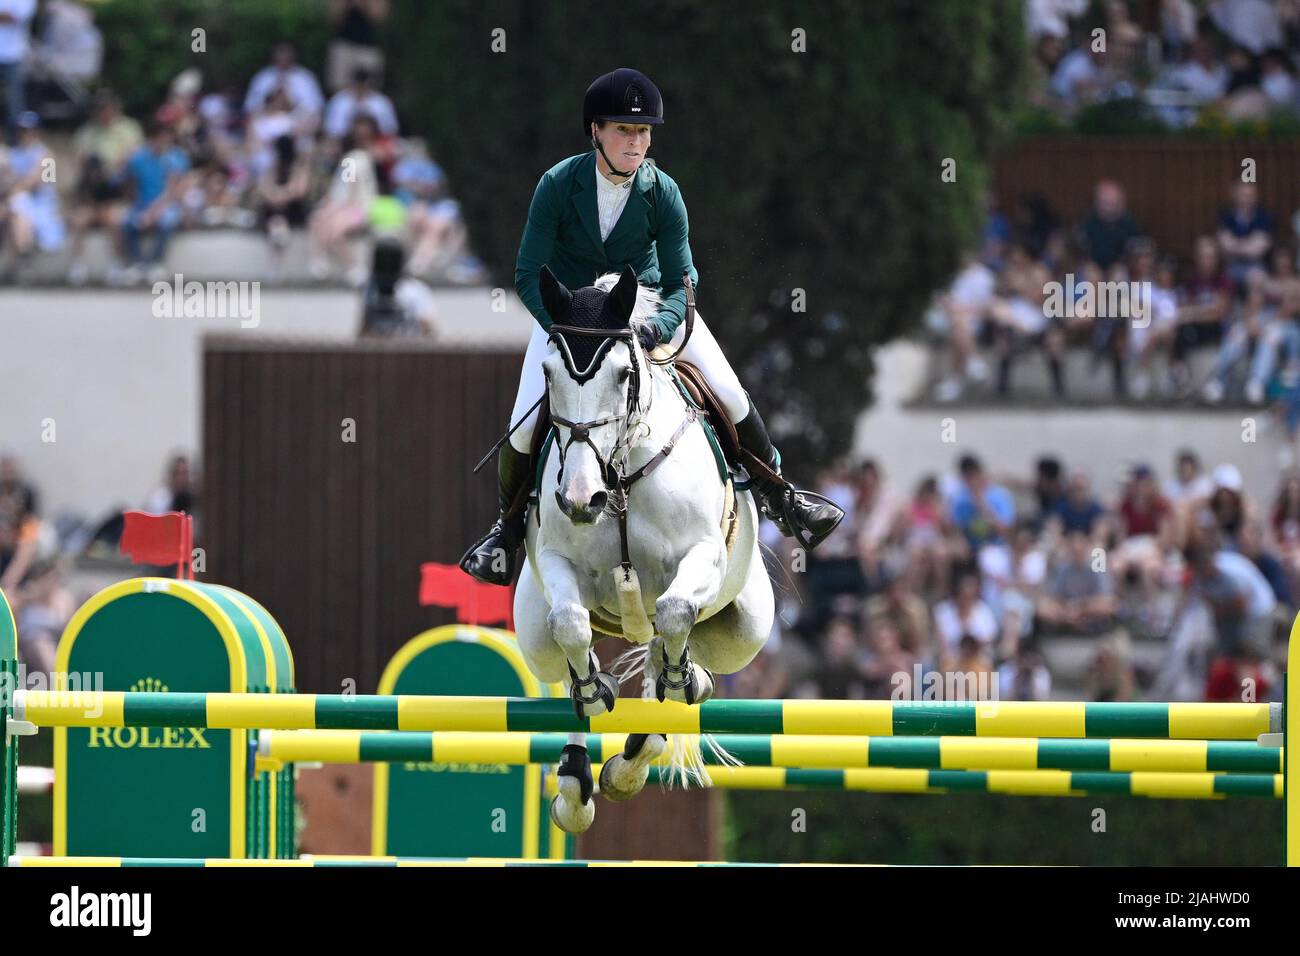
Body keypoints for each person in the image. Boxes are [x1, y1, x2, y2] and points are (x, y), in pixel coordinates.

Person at [460, 68, 844, 585]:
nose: (636, 142)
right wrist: (564, 326)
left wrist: (656, 329)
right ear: (595, 130)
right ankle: (504, 534)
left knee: (729, 392)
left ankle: (782, 496)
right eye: (623, 130)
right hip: (570, 320)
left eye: (643, 132)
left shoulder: (663, 192)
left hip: (648, 311)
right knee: (524, 426)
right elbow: (528, 272)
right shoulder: (557, 184)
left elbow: (682, 279)